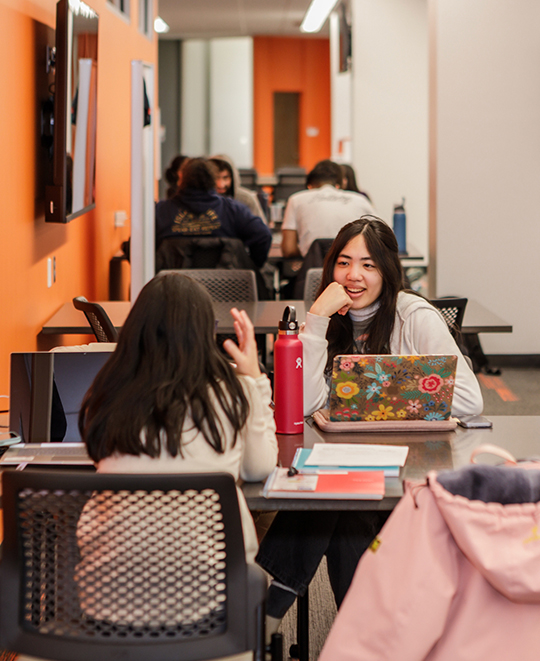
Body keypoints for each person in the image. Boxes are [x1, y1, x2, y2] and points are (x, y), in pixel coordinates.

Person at [256, 216, 483, 625]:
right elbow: (303, 406)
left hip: (413, 472)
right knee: (345, 508)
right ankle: (368, 634)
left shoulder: (414, 315)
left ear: (388, 270)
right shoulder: (327, 319)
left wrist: (369, 403)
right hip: (353, 471)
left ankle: (275, 605)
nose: (353, 275)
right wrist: (318, 320)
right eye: (343, 263)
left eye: (368, 265)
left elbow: (469, 400)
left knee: (335, 502)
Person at [78, 271, 279, 568]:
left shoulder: (110, 392)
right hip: (210, 592)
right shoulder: (230, 394)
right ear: (204, 333)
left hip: (112, 596)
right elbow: (259, 468)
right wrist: (255, 379)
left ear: (135, 330)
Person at [155, 157, 272, 268]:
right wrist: (250, 266)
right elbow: (263, 235)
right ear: (213, 180)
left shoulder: (161, 211)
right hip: (226, 286)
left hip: (173, 286)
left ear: (181, 180)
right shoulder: (232, 210)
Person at [280, 159, 375, 258]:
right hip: (352, 268)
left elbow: (289, 249)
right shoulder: (360, 200)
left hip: (313, 269)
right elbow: (382, 240)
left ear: (310, 186)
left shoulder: (296, 200)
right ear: (342, 183)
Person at [209, 154, 268, 222]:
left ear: (233, 177)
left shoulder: (246, 199)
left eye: (226, 178)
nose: (221, 185)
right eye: (216, 178)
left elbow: (261, 229)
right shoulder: (199, 200)